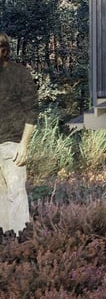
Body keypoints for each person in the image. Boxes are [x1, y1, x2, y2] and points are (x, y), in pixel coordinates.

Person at [0, 32, 38, 235]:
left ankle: (21, 240)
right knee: (1, 198)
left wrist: (24, 144)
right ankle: (6, 243)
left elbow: (32, 111)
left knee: (16, 195)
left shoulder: (20, 74)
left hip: (13, 145)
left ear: (4, 50)